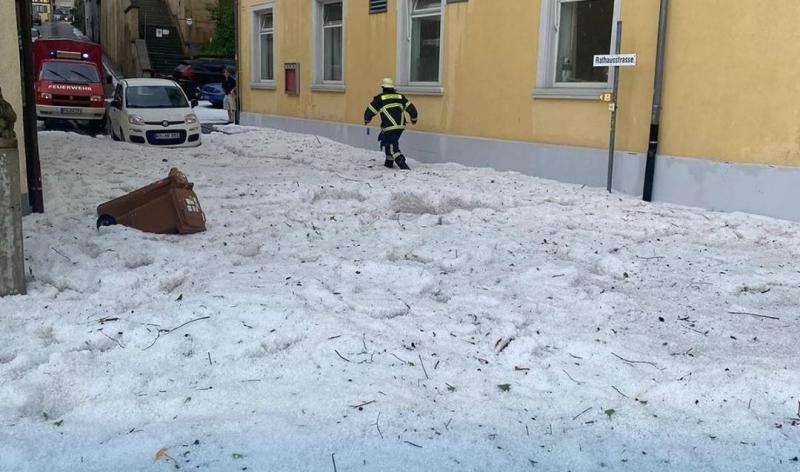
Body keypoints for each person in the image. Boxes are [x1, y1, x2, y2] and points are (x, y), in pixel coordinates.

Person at [364, 78, 418, 170]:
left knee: (392, 146)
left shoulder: (380, 98)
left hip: (389, 126)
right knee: (389, 142)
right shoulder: (400, 97)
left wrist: (367, 119)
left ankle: (403, 165)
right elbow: (412, 109)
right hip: (400, 126)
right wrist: (414, 119)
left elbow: (370, 110)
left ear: (383, 87)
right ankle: (388, 163)